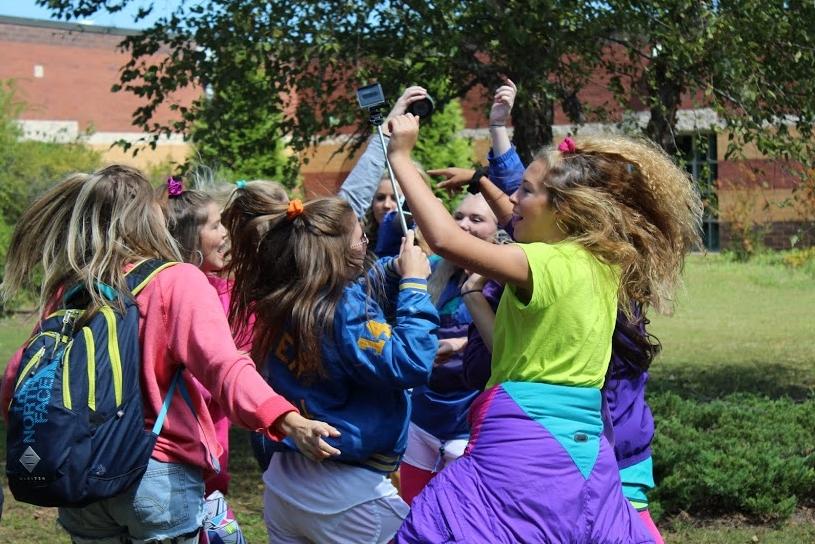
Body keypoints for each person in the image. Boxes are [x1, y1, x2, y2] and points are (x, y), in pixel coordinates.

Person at [387, 112, 702, 542]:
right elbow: (514, 354)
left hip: (526, 444)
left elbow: (444, 240)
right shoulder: (602, 263)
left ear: (565, 209)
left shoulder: (550, 263)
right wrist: (475, 297)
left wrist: (401, 156)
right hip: (582, 447)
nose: (513, 200)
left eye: (526, 190)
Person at [0, 165, 338, 544]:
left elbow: (18, 379)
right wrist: (287, 420)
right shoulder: (174, 279)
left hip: (81, 479)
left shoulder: (73, 288)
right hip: (155, 475)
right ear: (147, 217)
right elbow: (223, 365)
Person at [222, 186, 438, 544]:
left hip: (286, 481)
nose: (367, 244)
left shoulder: (288, 296)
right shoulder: (341, 309)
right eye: (361, 237)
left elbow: (353, 297)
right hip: (343, 493)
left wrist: (394, 270)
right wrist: (414, 285)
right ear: (338, 253)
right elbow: (410, 361)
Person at [398, 193, 499, 505]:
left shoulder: (505, 279)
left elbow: (516, 342)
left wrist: (460, 345)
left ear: (499, 228)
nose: (463, 225)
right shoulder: (433, 268)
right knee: (412, 510)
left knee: (464, 518)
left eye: (476, 219)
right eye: (458, 216)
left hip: (470, 422)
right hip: (422, 418)